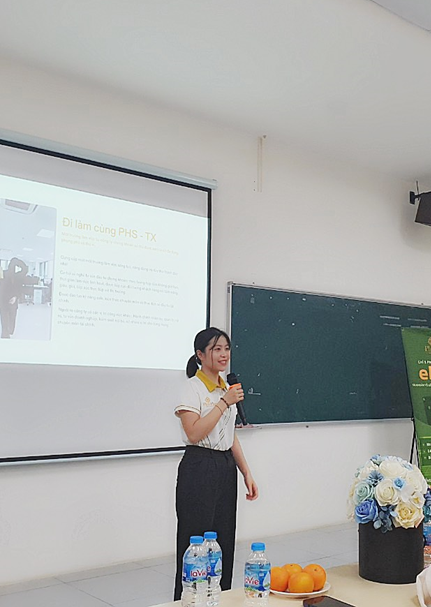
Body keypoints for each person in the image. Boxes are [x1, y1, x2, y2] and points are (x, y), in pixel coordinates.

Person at [173, 327, 259, 600]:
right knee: (195, 540)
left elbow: (229, 435)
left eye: (226, 348)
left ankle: (220, 599)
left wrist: (246, 472)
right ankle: (188, 600)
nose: (224, 354)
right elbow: (194, 432)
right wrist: (223, 402)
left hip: (225, 466)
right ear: (200, 355)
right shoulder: (192, 388)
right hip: (199, 466)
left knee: (223, 539)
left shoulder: (226, 387)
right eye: (216, 349)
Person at [0, 257, 28, 338]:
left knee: (7, 319)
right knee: (8, 319)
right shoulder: (15, 275)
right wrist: (18, 263)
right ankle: (6, 334)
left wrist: (15, 296)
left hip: (7, 300)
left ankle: (7, 333)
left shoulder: (14, 276)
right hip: (6, 300)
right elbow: (25, 269)